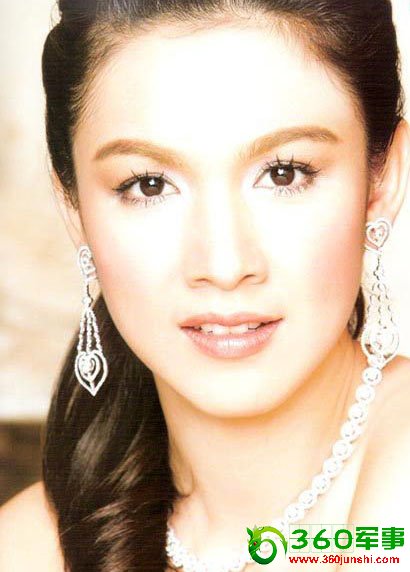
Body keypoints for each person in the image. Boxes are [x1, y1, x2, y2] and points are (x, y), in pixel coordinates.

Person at [0, 0, 410, 570]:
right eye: (148, 185)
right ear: (74, 208)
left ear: (382, 179)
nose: (223, 264)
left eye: (284, 173)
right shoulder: (28, 546)